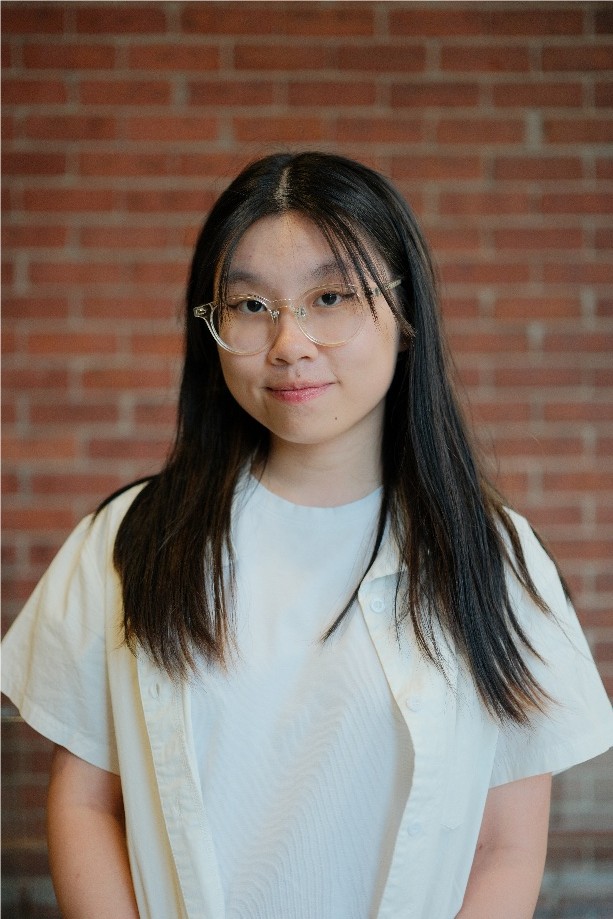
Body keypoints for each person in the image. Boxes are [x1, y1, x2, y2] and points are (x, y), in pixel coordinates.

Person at [2, 151, 612, 919]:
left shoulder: (495, 557)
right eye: (251, 306)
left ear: (404, 314)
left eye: (330, 296)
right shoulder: (127, 541)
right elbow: (88, 802)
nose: (288, 342)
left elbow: (505, 847)